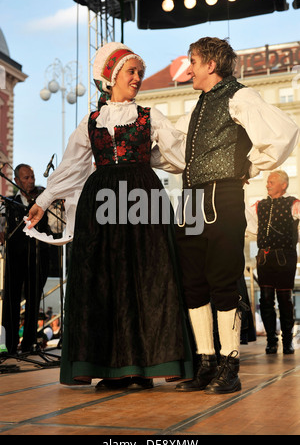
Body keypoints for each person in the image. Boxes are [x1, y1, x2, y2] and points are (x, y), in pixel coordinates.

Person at [25, 42, 194, 389]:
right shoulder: (91, 122)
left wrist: (159, 158)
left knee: (146, 278)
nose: (137, 78)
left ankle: (143, 365)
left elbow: (177, 155)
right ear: (112, 75)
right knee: (104, 281)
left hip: (142, 198)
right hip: (101, 202)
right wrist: (44, 199)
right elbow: (71, 168)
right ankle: (112, 367)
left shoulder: (150, 116)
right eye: (131, 72)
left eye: (139, 73)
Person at [174, 37, 299, 394]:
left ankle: (230, 365)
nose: (190, 68)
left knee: (222, 280)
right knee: (193, 283)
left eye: (193, 61)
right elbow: (171, 148)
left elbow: (284, 131)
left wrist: (248, 164)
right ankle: (206, 362)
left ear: (211, 64)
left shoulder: (239, 96)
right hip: (190, 198)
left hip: (222, 195)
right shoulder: (197, 107)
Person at [247, 170, 300, 355]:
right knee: (266, 298)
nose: (267, 184)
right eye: (267, 182)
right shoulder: (259, 205)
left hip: (285, 257)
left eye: (271, 182)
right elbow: (252, 228)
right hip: (264, 257)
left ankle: (287, 342)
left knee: (285, 299)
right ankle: (271, 341)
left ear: (283, 185)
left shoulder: (294, 204)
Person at [1, 164, 51, 354]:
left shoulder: (42, 200)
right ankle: (10, 345)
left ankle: (29, 343)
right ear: (16, 181)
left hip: (38, 257)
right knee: (11, 299)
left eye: (32, 177)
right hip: (16, 257)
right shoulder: (10, 203)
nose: (31, 181)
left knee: (34, 299)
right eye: (26, 178)